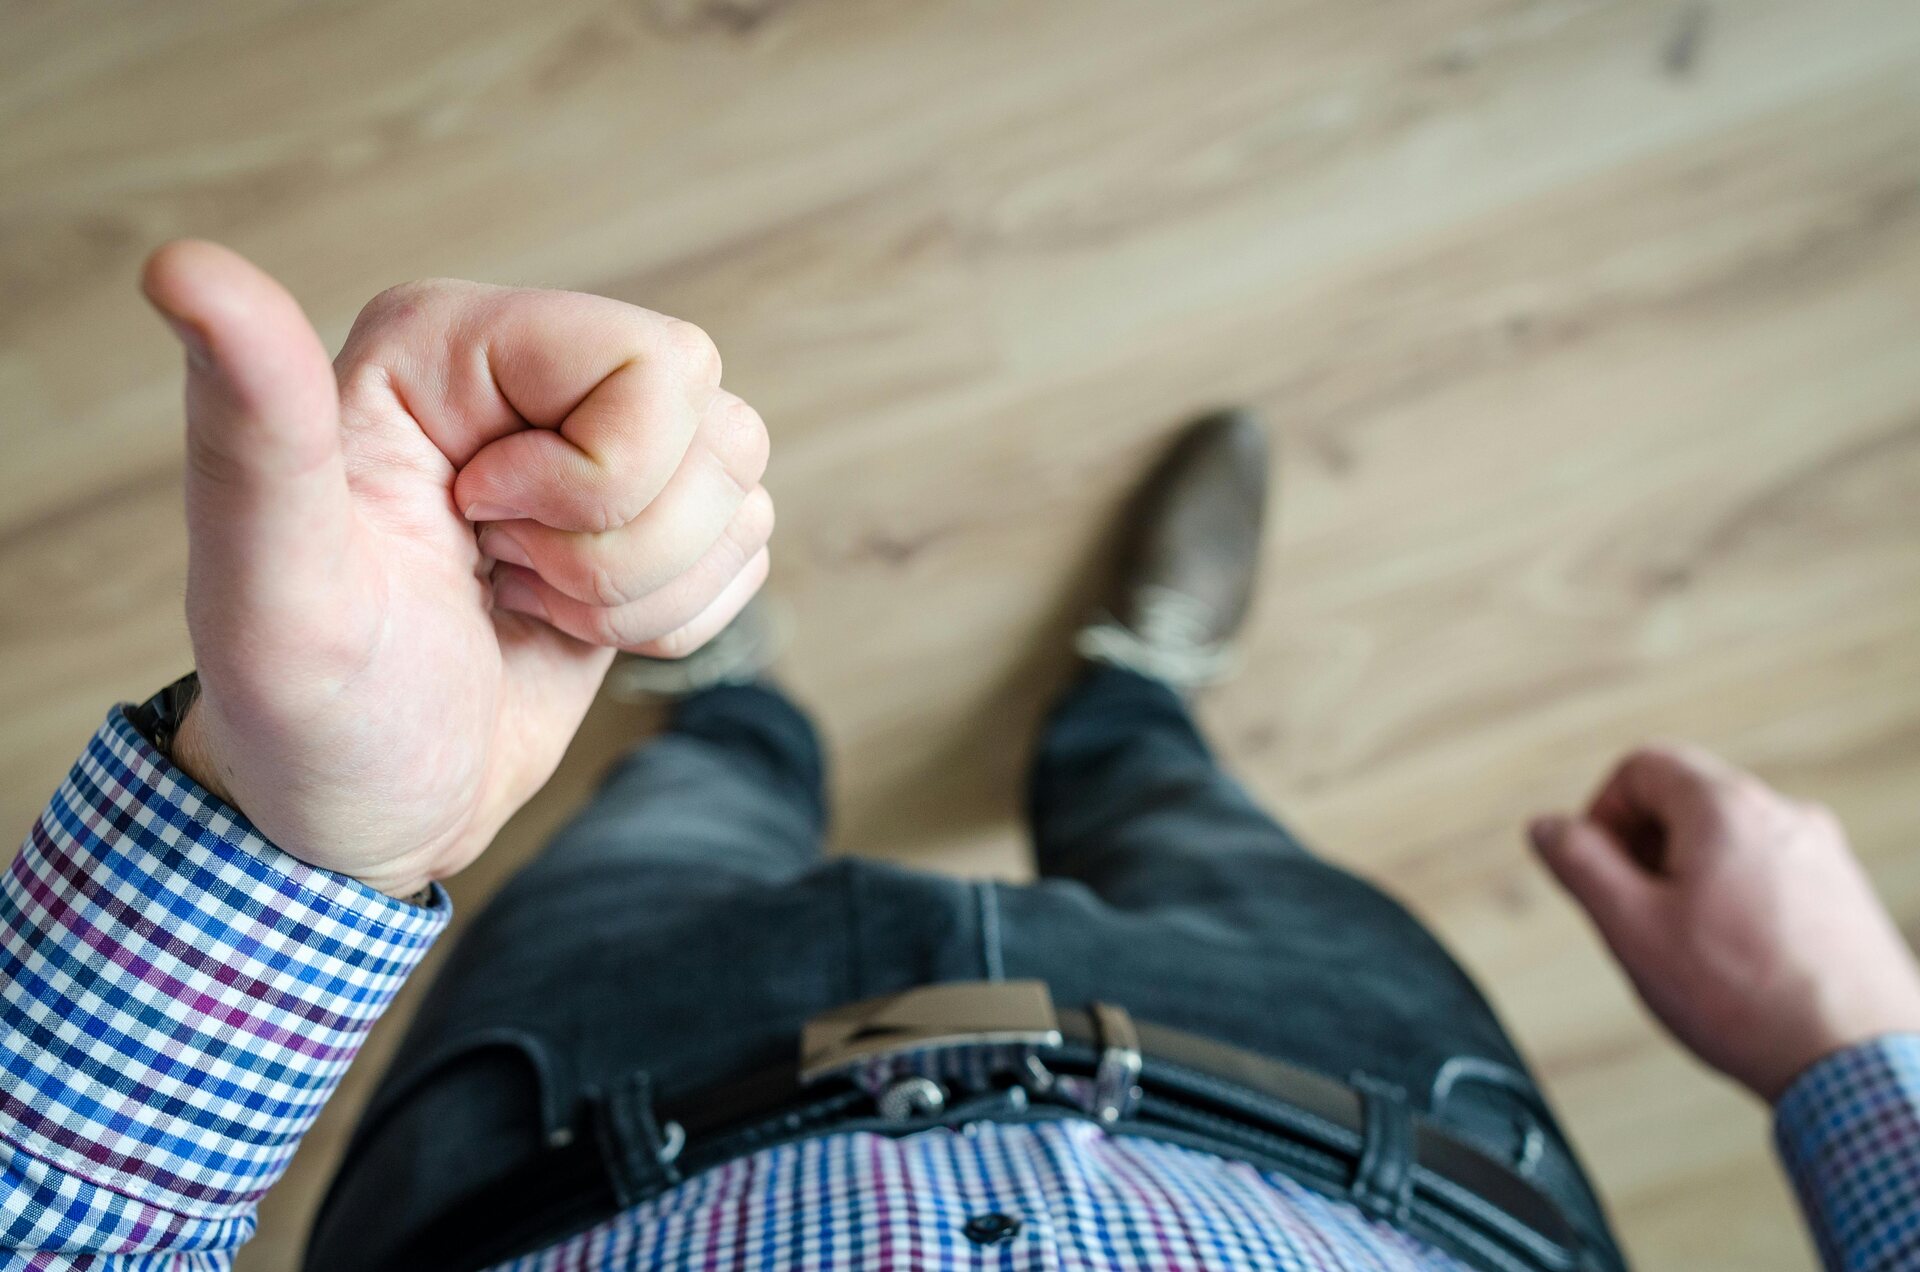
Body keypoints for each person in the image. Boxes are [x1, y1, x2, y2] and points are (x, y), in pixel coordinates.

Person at [2, 243, 1916, 1272]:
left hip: (577, 1116)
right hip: (1359, 1117)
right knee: (1173, 800)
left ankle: (714, 694)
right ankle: (1128, 688)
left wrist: (304, 835)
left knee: (696, 795)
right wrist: (1857, 1046)